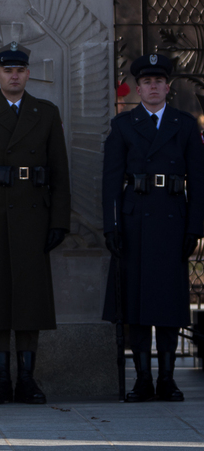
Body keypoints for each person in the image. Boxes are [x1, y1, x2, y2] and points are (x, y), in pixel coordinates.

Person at [0, 41, 71, 405]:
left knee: (30, 301)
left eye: (20, 70)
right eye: (8, 70)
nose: (14, 75)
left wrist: (59, 221)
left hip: (34, 217)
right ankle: (0, 379)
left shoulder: (46, 112)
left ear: (27, 74)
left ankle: (27, 379)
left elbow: (60, 173)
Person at [101, 52, 203, 402]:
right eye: (146, 82)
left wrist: (196, 226)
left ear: (168, 86)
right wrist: (111, 225)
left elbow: (200, 181)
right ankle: (143, 378)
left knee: (170, 303)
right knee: (138, 301)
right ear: (138, 88)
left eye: (159, 81)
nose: (153, 87)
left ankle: (167, 379)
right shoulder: (124, 125)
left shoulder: (185, 124)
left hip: (173, 216)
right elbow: (111, 180)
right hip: (135, 219)